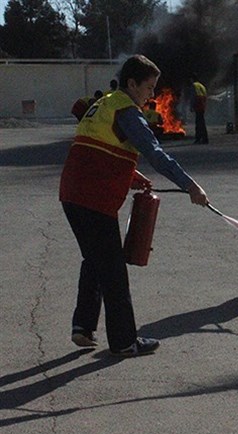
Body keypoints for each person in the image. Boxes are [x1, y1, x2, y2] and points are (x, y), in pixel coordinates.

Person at [59, 54, 210, 357]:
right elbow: (155, 154)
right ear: (132, 84)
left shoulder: (105, 103)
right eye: (149, 88)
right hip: (94, 199)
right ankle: (124, 341)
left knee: (95, 260)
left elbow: (100, 148)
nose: (152, 95)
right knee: (113, 272)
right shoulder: (127, 111)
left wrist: (131, 175)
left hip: (72, 194)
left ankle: (83, 327)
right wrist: (190, 185)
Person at [190, 74, 209, 144]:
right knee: (202, 122)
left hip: (198, 105)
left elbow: (193, 96)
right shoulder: (202, 86)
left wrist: (192, 106)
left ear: (192, 79)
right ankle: (204, 138)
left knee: (198, 123)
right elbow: (205, 96)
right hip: (202, 106)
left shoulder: (194, 85)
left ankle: (198, 138)